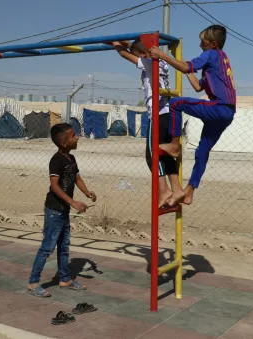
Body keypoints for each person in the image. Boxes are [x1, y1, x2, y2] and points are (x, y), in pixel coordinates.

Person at [149, 24, 236, 206]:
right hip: (227, 112)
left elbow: (188, 67)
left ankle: (174, 145)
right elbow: (197, 85)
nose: (199, 46)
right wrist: (177, 59)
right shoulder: (220, 60)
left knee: (176, 103)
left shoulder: (211, 54)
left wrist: (162, 55)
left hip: (218, 107)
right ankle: (189, 192)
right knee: (202, 151)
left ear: (212, 43)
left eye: (202, 42)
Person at [112, 40, 184, 209]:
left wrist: (116, 44)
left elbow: (124, 54)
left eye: (138, 55)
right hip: (169, 113)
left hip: (158, 115)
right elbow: (136, 47)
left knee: (152, 155)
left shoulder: (149, 62)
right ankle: (177, 189)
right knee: (165, 154)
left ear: (144, 54)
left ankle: (164, 190)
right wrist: (129, 44)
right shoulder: (162, 61)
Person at [27, 123, 96, 298]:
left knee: (64, 246)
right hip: (54, 210)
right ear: (64, 143)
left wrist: (87, 192)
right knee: (47, 247)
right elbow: (55, 186)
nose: (77, 137)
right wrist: (73, 202)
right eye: (74, 135)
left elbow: (77, 177)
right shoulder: (56, 160)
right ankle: (33, 281)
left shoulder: (71, 159)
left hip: (63, 210)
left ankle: (64, 278)